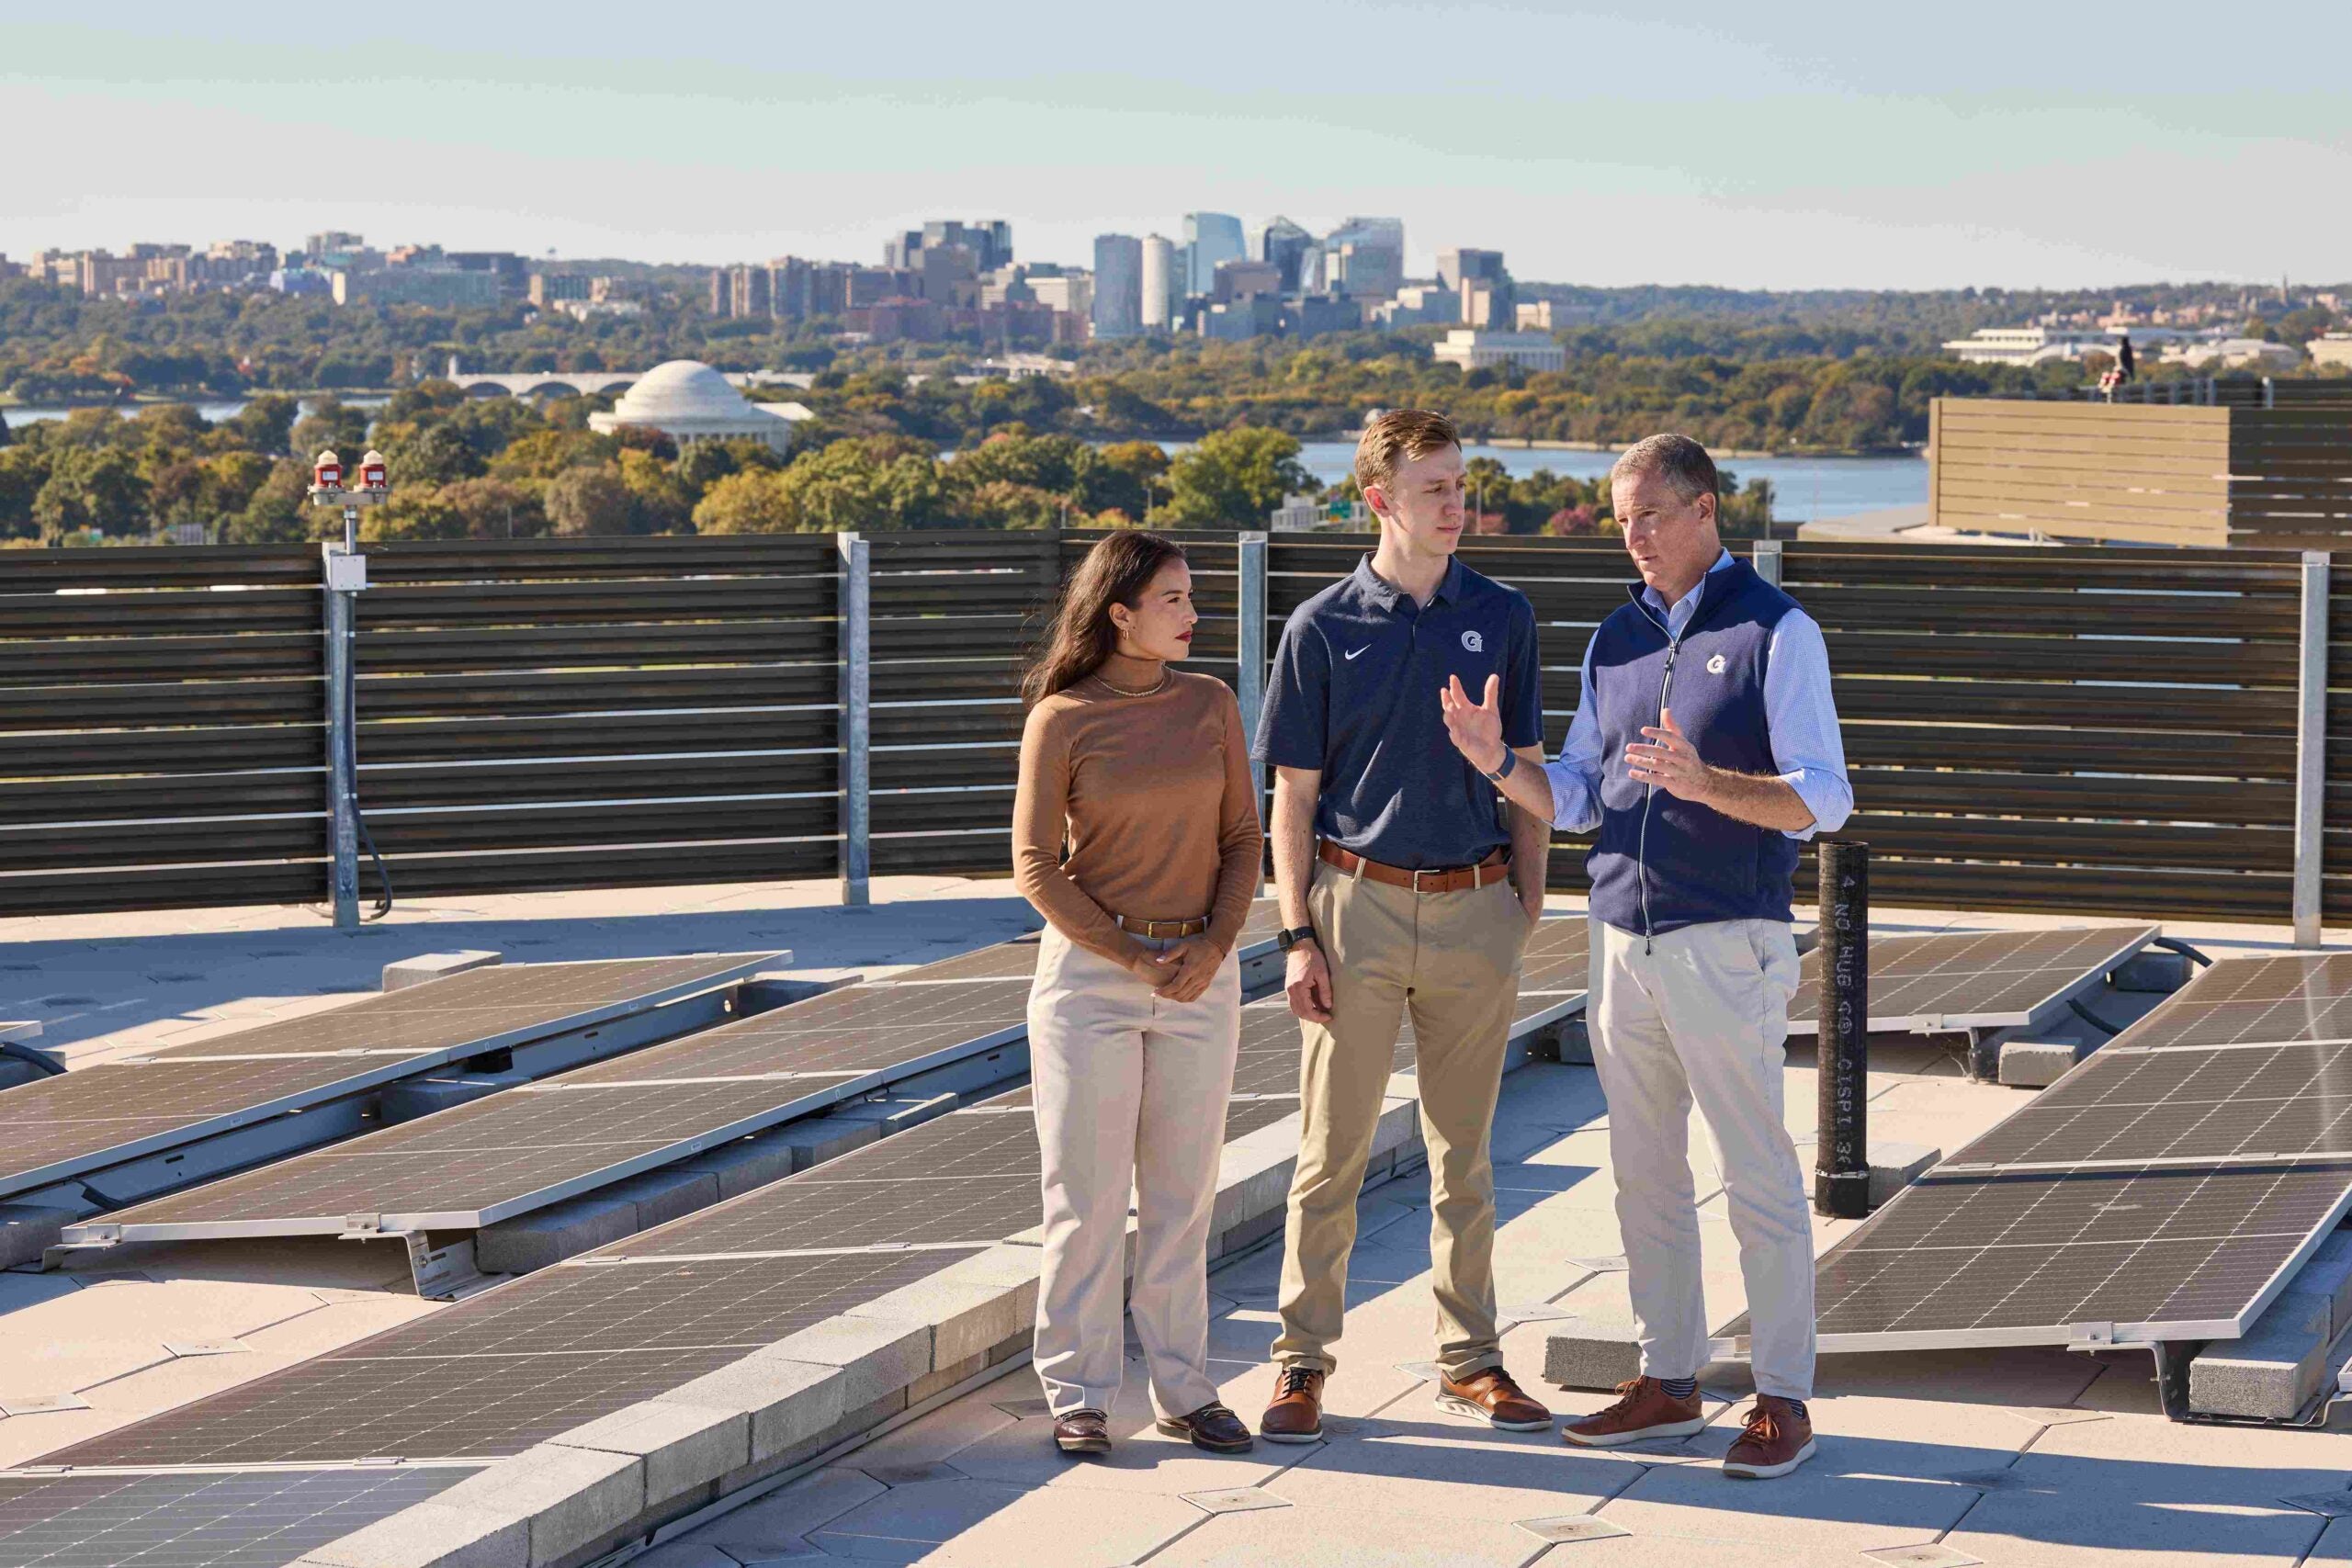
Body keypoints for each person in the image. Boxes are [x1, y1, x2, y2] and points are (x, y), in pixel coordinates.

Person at [1437, 432, 1852, 1480]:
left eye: (1651, 517)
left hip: (1728, 940)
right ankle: (1668, 1383)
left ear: (1705, 510)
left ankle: (1781, 1398)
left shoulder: (1776, 629)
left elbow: (1823, 799)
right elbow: (1579, 795)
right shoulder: (1614, 639)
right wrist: (1499, 766)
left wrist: (1709, 783)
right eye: (1621, 521)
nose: (1634, 539)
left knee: (1756, 1174)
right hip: (1620, 941)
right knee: (1642, 1176)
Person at [1251, 408, 1555, 1445]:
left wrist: (1523, 907)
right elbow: (1292, 798)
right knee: (1328, 1158)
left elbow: (1529, 780)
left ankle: (1470, 1361)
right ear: (1379, 500)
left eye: (1461, 485)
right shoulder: (1321, 627)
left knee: (1463, 1160)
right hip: (1355, 912)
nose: (1456, 505)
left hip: (1477, 912)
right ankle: (1299, 1364)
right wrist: (1297, 934)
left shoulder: (1505, 615)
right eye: (1435, 489)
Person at [1012, 530, 1264, 1460]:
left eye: (1191, 596)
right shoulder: (1064, 717)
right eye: (1174, 599)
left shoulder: (1210, 703)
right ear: (1119, 612)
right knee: (1083, 1195)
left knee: (1181, 1196)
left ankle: (1185, 1390)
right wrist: (1129, 954)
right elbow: (1035, 866)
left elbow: (1244, 837)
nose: (1193, 614)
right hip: (1090, 983)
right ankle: (1077, 1395)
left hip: (1203, 974)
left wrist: (1214, 945)